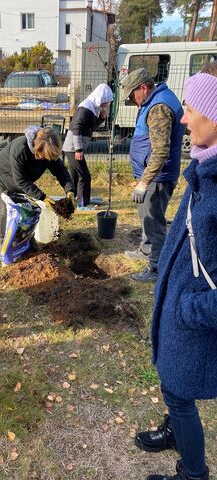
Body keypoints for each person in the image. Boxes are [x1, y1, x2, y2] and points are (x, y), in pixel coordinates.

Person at [135, 63, 217, 480]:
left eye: (190, 109)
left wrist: (186, 309)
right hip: (178, 306)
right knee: (172, 386)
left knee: (179, 394)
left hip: (191, 318)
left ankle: (192, 472)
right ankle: (174, 432)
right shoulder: (206, 167)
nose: (183, 118)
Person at [121, 68, 184, 282]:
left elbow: (160, 151)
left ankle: (156, 268)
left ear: (144, 88)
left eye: (132, 95)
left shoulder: (159, 107)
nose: (131, 100)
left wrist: (144, 182)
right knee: (146, 216)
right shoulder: (154, 100)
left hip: (157, 178)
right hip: (151, 176)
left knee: (153, 221)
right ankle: (146, 250)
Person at [0, 126, 76, 246]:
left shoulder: (48, 148)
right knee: (5, 208)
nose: (47, 160)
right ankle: (2, 240)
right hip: (4, 174)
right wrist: (42, 197)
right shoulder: (20, 149)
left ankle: (27, 239)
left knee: (30, 209)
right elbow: (21, 181)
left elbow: (60, 170)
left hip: (24, 178)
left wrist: (69, 190)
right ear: (37, 149)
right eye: (45, 157)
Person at [62, 83, 114, 209]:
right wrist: (78, 149)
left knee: (75, 174)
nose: (105, 105)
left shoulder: (92, 108)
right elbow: (77, 128)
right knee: (84, 176)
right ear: (99, 98)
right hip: (73, 147)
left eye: (106, 103)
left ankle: (74, 199)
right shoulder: (86, 108)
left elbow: (91, 128)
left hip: (72, 147)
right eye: (104, 102)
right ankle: (82, 203)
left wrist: (101, 119)